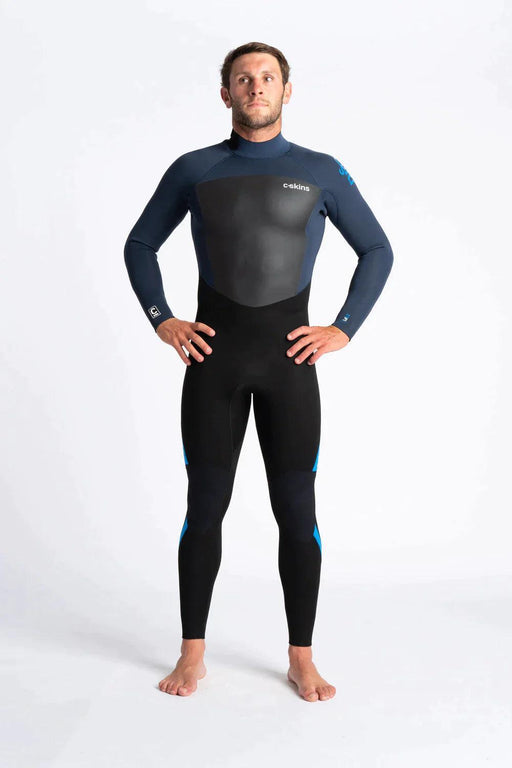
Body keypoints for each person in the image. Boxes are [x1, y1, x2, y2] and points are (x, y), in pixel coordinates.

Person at [124, 41, 393, 702]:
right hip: (212, 364)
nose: (256, 86)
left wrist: (342, 328)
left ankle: (302, 658)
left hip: (289, 366)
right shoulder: (195, 168)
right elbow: (140, 244)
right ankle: (192, 654)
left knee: (297, 512)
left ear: (286, 90)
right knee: (204, 510)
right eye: (243, 78)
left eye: (267, 77)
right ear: (226, 94)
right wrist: (163, 319)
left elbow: (377, 249)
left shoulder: (321, 171)